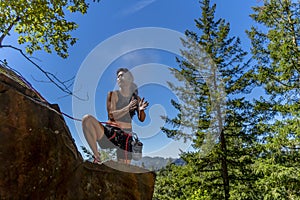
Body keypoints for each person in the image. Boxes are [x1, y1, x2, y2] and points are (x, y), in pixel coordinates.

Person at [82, 68, 149, 164]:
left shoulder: (136, 98)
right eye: (118, 77)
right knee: (87, 119)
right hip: (111, 132)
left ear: (130, 79)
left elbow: (142, 119)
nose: (119, 78)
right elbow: (111, 115)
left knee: (124, 169)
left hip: (126, 136)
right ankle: (97, 156)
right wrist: (128, 108)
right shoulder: (112, 95)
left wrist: (141, 110)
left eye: (122, 75)